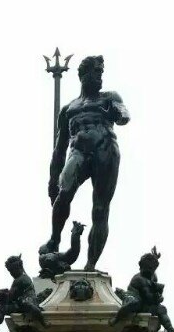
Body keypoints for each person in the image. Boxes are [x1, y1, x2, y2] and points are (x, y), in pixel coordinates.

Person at [42, 55, 130, 271]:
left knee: (100, 209)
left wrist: (116, 114)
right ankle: (54, 239)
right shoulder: (68, 109)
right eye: (96, 72)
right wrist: (53, 177)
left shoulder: (109, 97)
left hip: (105, 148)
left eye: (101, 72)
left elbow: (124, 115)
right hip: (78, 150)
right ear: (83, 75)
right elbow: (59, 147)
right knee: (63, 193)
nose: (100, 76)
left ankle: (91, 264)